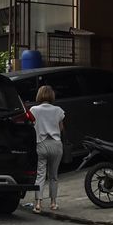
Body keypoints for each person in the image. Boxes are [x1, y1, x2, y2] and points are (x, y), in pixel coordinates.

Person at [29, 85, 65, 213]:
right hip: (56, 144)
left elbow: (31, 126)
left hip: (41, 143)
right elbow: (61, 127)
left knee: (40, 175)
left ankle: (38, 203)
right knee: (53, 176)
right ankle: (53, 203)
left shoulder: (34, 110)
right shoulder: (58, 110)